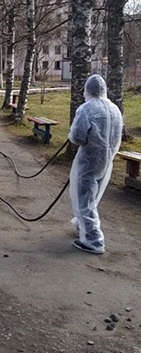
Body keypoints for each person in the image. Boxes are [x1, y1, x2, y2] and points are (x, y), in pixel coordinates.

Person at [68, 74, 123, 254]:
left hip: (88, 161)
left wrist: (72, 135)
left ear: (87, 89)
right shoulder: (114, 109)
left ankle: (94, 240)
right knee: (93, 198)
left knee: (84, 200)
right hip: (106, 160)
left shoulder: (87, 108)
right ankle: (82, 227)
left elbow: (77, 137)